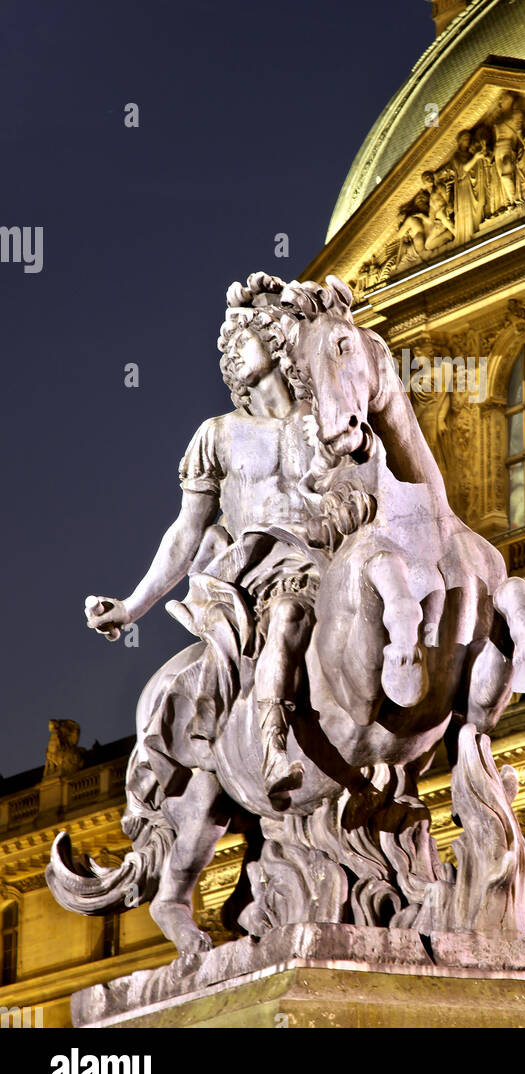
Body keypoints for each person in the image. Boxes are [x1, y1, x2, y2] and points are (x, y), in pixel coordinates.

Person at [85, 275, 342, 802]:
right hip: (259, 578)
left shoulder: (326, 420)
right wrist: (132, 607)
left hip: (330, 559)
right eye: (224, 345)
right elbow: (187, 529)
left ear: (274, 337)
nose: (228, 351)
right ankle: (271, 747)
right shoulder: (218, 434)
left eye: (239, 338)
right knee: (288, 614)